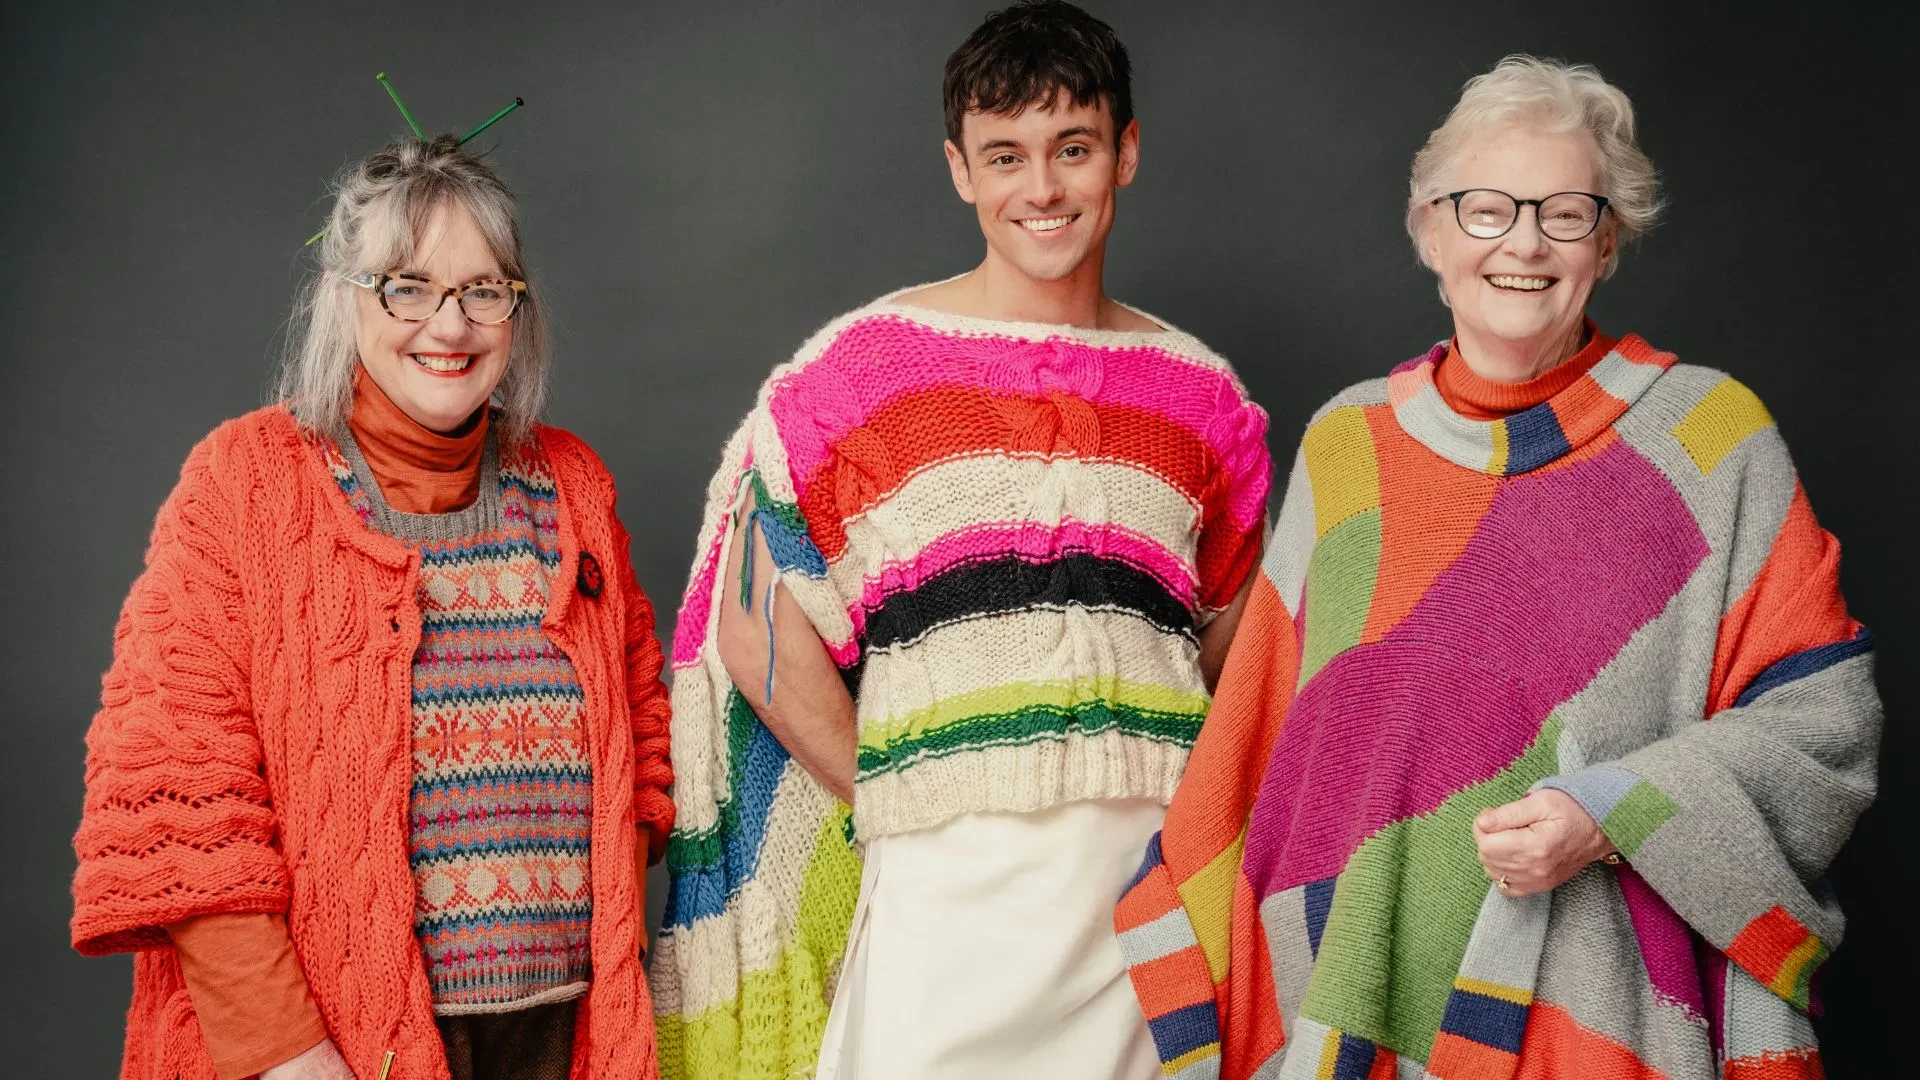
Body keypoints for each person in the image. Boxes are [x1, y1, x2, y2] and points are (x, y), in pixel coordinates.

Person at [1118, 55, 1882, 1080]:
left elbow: (1822, 726)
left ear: (1607, 243)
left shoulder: (1708, 440)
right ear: (1431, 232)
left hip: (1598, 1010)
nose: (1524, 243)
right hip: (1356, 983)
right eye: (1486, 210)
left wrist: (1608, 813)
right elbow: (1265, 733)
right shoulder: (1349, 447)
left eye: (1565, 213)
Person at [646, 3, 1272, 1077]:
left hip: (1143, 895)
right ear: (960, 170)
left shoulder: (1203, 396)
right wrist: (894, 795)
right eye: (1006, 156)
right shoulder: (860, 373)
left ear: (1125, 152)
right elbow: (750, 630)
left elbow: (1235, 636)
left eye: (1073, 148)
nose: (1042, 188)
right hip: (944, 897)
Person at [70, 134, 674, 1080]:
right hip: (327, 1050)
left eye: (483, 290)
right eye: (407, 287)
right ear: (345, 295)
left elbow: (640, 734)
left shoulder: (573, 487)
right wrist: (286, 1054)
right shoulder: (242, 487)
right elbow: (179, 791)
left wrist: (620, 946)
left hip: (565, 1038)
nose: (451, 325)